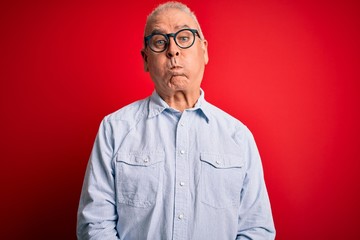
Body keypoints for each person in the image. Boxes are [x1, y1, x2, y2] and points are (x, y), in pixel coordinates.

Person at [77, 1, 275, 239]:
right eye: (160, 42)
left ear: (204, 50)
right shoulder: (114, 129)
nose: (173, 50)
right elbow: (95, 226)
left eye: (184, 37)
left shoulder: (238, 137)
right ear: (146, 60)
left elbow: (256, 229)